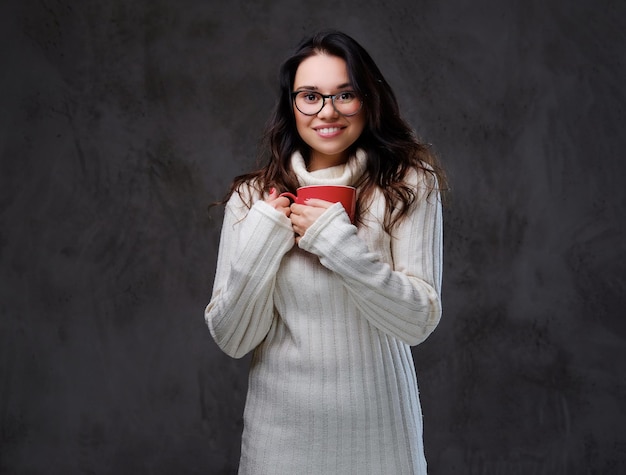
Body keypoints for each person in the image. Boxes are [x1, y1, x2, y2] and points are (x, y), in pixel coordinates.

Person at [205, 29, 446, 475]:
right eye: (310, 96)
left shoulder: (408, 184)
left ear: (366, 100)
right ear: (291, 104)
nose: (327, 112)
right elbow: (233, 338)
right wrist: (263, 238)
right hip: (278, 444)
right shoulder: (252, 199)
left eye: (345, 94)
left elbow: (418, 322)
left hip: (383, 440)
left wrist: (337, 243)